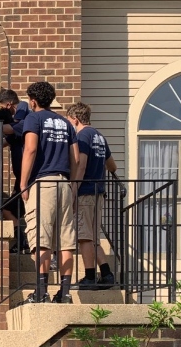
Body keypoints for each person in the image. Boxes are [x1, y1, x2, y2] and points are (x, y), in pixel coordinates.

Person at [19, 81, 79, 304]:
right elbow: (76, 158)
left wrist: (23, 182)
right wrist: (72, 185)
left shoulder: (33, 118)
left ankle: (41, 291)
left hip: (43, 184)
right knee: (66, 242)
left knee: (41, 238)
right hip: (65, 183)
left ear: (33, 101)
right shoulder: (65, 123)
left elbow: (31, 149)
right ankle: (64, 294)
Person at [65, 102, 117, 290]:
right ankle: (106, 274)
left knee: (84, 236)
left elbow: (81, 164)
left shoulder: (82, 136)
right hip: (99, 191)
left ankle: (89, 277)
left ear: (75, 119)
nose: (69, 125)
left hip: (85, 191)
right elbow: (113, 166)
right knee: (93, 236)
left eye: (69, 121)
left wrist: (73, 190)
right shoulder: (99, 136)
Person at [0, 89, 31, 253]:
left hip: (29, 178)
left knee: (12, 209)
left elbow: (9, 129)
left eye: (3, 107)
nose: (4, 110)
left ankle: (26, 243)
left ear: (9, 104)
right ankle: (22, 241)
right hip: (21, 178)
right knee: (9, 209)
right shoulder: (19, 127)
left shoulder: (23, 119)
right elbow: (5, 141)